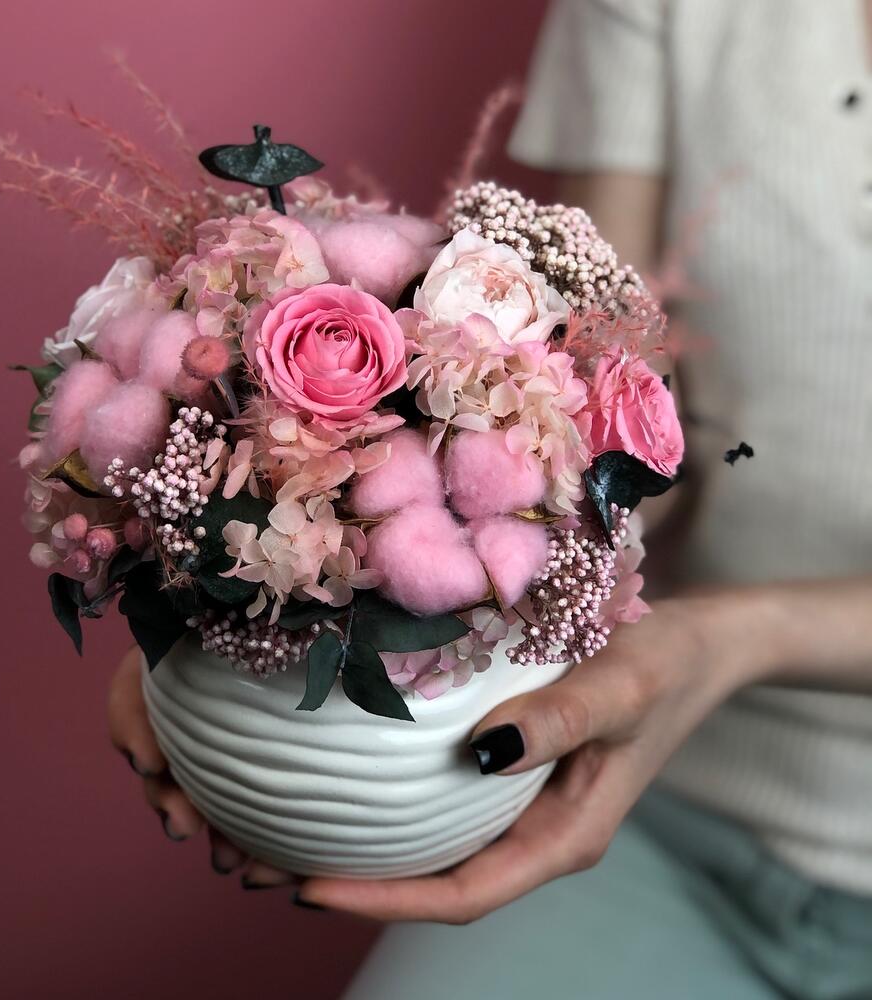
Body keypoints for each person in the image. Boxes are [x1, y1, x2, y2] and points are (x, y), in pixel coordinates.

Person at [108, 1, 872, 996]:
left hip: (676, 700)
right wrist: (228, 579)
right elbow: (618, 411)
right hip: (653, 787)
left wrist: (725, 641)